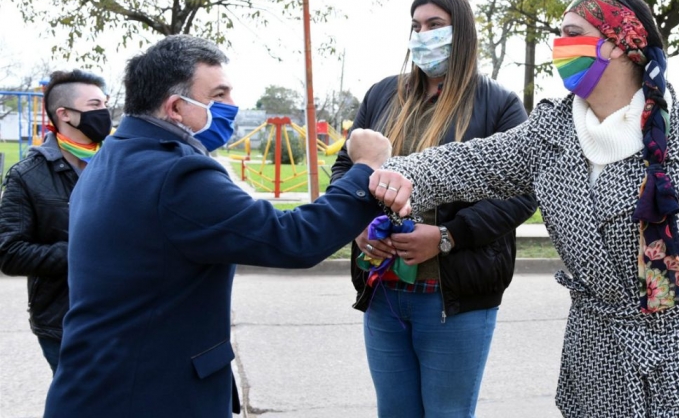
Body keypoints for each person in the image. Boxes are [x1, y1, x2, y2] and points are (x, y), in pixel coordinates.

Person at [371, 0, 679, 418]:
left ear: (619, 44)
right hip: (599, 366)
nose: (560, 45)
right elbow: (475, 162)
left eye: (573, 35)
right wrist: (404, 174)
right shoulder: (550, 133)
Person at [42, 34, 407, 418]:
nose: (233, 106)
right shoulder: (176, 173)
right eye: (219, 95)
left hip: (98, 384)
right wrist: (365, 167)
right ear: (176, 108)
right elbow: (293, 239)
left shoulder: (114, 154)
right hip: (148, 395)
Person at [330, 0, 537, 417]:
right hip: (383, 289)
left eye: (435, 25)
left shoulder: (498, 103)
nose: (423, 35)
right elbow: (345, 171)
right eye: (416, 26)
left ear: (461, 32)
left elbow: (522, 192)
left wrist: (447, 237)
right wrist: (357, 226)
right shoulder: (383, 95)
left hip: (454, 296)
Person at [0, 69, 111, 375]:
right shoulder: (27, 175)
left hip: (122, 314)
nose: (105, 113)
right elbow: (9, 252)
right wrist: (81, 253)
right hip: (63, 321)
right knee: (79, 404)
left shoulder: (118, 162)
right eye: (95, 106)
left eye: (105, 104)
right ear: (65, 114)